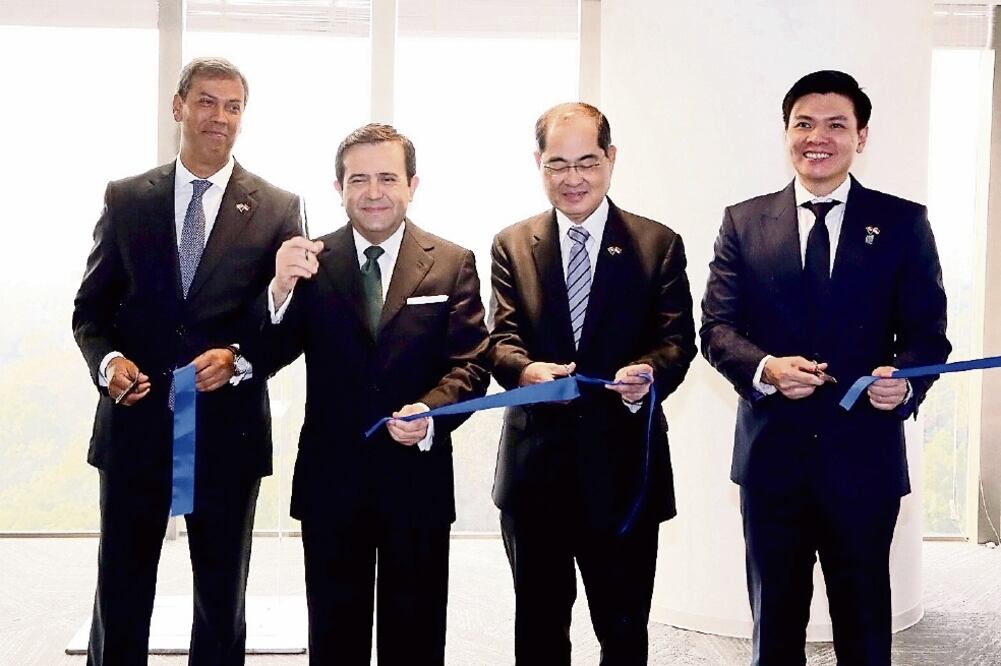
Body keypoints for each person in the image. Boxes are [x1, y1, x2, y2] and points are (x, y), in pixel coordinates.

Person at [700, 70, 951, 665]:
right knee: (775, 628)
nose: (819, 136)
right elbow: (716, 328)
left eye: (836, 124)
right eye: (804, 123)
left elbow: (927, 336)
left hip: (863, 460)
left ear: (861, 136)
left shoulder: (902, 223)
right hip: (771, 464)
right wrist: (765, 368)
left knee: (864, 629)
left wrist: (904, 385)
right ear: (786, 133)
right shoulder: (743, 221)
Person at [72, 57, 302, 665]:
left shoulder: (280, 206)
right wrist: (107, 364)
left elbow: (288, 324)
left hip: (227, 432)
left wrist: (243, 359)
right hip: (135, 424)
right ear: (178, 106)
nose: (217, 117)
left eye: (232, 107)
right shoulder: (126, 198)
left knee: (221, 601)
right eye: (205, 102)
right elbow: (90, 312)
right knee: (120, 593)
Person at [257, 123, 490, 665]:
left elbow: (471, 365)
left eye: (388, 178)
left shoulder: (452, 261)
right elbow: (268, 353)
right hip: (331, 481)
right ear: (338, 188)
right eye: (358, 179)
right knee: (335, 640)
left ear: (413, 184)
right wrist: (278, 290)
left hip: (418, 480)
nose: (374, 192)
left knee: (416, 639)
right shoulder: (308, 261)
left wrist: (431, 414)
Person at [487, 102, 697, 665]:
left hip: (624, 470)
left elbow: (679, 341)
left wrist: (648, 375)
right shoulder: (512, 244)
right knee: (538, 631)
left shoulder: (658, 244)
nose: (573, 178)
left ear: (610, 159)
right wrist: (526, 371)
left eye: (587, 162)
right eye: (558, 164)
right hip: (536, 474)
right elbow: (500, 340)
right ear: (539, 163)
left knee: (623, 633)